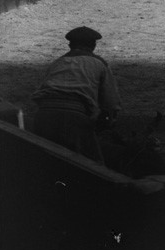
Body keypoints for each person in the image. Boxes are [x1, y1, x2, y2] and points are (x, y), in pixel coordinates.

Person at [28, 26, 121, 164]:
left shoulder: (57, 63)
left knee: (43, 160)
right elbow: (111, 103)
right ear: (93, 46)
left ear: (70, 45)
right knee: (94, 164)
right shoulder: (99, 63)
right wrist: (107, 120)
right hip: (74, 115)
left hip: (43, 114)